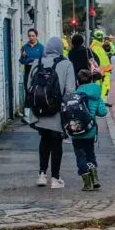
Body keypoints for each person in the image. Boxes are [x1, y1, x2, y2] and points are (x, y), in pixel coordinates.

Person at [27, 37, 76, 189]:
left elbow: (29, 86)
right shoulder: (66, 64)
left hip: (39, 110)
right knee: (56, 142)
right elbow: (70, 90)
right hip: (57, 110)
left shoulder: (37, 62)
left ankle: (41, 175)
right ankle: (55, 178)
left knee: (44, 140)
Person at [71, 69, 108, 191]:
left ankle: (87, 184)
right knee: (90, 153)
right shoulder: (96, 94)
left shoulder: (74, 94)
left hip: (76, 131)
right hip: (90, 130)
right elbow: (103, 112)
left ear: (78, 81)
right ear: (91, 79)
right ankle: (95, 177)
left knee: (80, 155)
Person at [19, 28, 44, 122]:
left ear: (36, 36)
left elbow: (43, 59)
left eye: (33, 36)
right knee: (28, 91)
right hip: (28, 70)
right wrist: (23, 56)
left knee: (37, 91)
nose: (31, 37)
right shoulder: (25, 47)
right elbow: (22, 61)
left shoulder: (41, 47)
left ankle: (37, 114)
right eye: (29, 36)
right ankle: (26, 115)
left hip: (37, 70)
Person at [90, 30, 113, 102]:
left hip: (103, 71)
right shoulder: (96, 47)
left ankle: (102, 101)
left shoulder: (97, 46)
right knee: (103, 87)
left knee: (103, 87)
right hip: (103, 72)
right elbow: (97, 62)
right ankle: (102, 102)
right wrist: (101, 72)